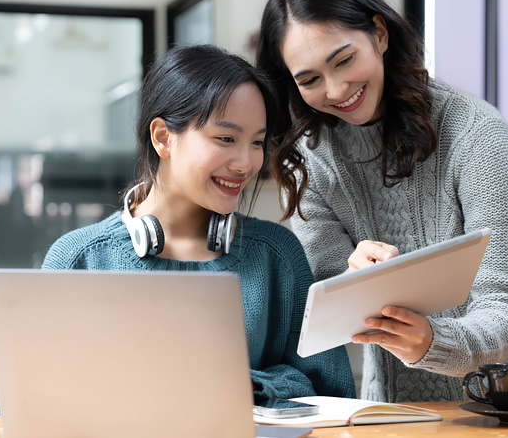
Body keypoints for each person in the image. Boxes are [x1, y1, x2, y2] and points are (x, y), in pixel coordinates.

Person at [256, 0, 508, 403]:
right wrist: (353, 283)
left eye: (344, 59)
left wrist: (431, 341)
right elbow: (326, 299)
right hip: (399, 399)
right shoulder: (311, 160)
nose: (335, 90)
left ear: (380, 34)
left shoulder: (478, 135)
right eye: (310, 79)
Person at [42, 44, 356, 399]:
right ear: (163, 138)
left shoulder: (277, 256)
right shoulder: (78, 260)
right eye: (226, 138)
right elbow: (34, 402)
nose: (246, 163)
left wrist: (242, 385)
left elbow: (333, 394)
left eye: (257, 142)